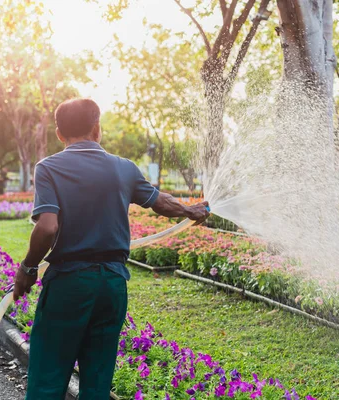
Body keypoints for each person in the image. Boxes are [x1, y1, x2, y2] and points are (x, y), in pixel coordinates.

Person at [12, 98, 210, 400]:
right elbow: (161, 202)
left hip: (69, 282)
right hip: (112, 285)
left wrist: (27, 269)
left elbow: (48, 226)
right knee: (98, 381)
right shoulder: (124, 168)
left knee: (48, 378)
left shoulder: (49, 167)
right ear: (97, 128)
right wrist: (189, 210)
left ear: (59, 133)